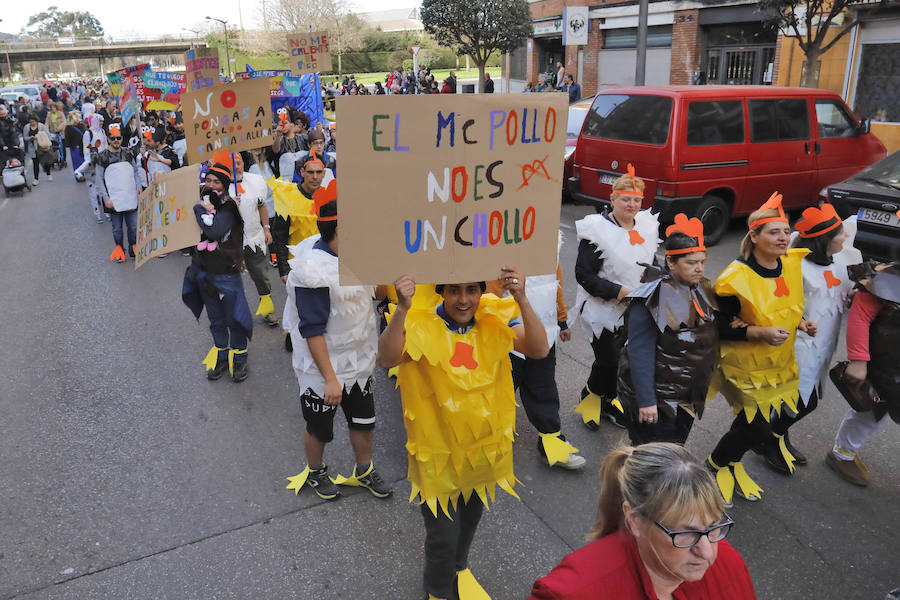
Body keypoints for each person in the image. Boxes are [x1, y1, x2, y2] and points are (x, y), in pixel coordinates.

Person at [378, 270, 549, 600]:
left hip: (484, 452)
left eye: (472, 290)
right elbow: (387, 358)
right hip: (437, 457)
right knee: (442, 534)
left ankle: (460, 568)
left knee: (469, 520)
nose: (464, 299)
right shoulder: (419, 323)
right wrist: (401, 308)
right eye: (454, 290)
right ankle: (438, 590)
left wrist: (522, 299)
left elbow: (538, 349)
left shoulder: (495, 316)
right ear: (442, 291)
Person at [529, 443, 757, 600]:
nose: (707, 553)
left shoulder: (728, 563)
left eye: (713, 527)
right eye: (686, 534)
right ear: (635, 520)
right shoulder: (574, 592)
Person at [284, 180, 392, 501]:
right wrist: (330, 379)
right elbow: (311, 329)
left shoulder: (357, 253)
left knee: (364, 420)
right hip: (323, 370)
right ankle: (316, 470)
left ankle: (364, 468)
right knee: (320, 428)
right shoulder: (313, 270)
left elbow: (380, 295)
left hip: (358, 361)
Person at [705, 192, 817, 504]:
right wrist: (759, 332)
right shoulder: (735, 277)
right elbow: (717, 325)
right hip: (745, 366)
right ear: (754, 236)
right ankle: (715, 466)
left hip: (778, 363)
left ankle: (730, 461)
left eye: (786, 231)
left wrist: (802, 322)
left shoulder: (790, 265)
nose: (783, 238)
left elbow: (785, 306)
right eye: (774, 232)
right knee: (758, 428)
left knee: (753, 424)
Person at [770, 205, 860, 473]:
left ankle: (777, 435)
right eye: (840, 234)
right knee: (801, 400)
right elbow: (778, 306)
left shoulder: (843, 259)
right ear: (824, 239)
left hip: (824, 345)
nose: (845, 237)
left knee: (807, 397)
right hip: (798, 346)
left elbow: (842, 294)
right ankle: (769, 439)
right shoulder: (794, 266)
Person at [616, 215, 720, 446]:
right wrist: (646, 401)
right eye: (691, 262)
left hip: (685, 396)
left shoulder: (700, 288)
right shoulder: (649, 299)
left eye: (702, 261)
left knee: (672, 452)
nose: (699, 268)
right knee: (650, 458)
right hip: (658, 400)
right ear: (671, 262)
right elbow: (639, 353)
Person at [572, 164, 661, 431]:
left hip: (635, 310)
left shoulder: (646, 226)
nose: (631, 205)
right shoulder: (596, 229)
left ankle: (608, 401)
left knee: (626, 361)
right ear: (613, 199)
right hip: (601, 310)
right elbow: (583, 274)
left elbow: (651, 263)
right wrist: (618, 291)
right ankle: (590, 396)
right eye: (625, 199)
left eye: (636, 200)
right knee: (608, 360)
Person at [486, 240, 584, 470]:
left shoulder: (549, 237)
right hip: (506, 335)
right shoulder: (494, 238)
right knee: (499, 390)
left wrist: (561, 320)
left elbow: (555, 282)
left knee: (543, 387)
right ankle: (485, 442)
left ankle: (551, 441)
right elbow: (486, 291)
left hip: (543, 331)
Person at [827, 261, 899, 486]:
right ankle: (842, 455)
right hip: (885, 363)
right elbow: (860, 316)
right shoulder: (885, 277)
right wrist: (858, 361)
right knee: (873, 408)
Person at [181, 155, 252, 383]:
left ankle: (239, 360)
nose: (211, 185)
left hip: (227, 274)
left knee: (235, 319)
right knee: (216, 320)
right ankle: (221, 357)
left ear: (224, 186)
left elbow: (214, 232)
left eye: (216, 182)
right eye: (208, 180)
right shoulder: (203, 203)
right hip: (204, 273)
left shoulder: (229, 208)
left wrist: (198, 210)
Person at [232, 152, 278, 327]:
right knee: (231, 280)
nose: (236, 166)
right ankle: (237, 315)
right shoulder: (218, 184)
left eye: (239, 163)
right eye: (233, 163)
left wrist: (266, 228)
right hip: (230, 242)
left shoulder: (255, 181)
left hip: (254, 237)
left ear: (243, 163)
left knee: (261, 276)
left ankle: (268, 310)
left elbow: (262, 206)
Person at [95, 122, 141, 261]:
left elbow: (135, 172)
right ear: (108, 139)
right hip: (114, 200)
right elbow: (99, 180)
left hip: (130, 198)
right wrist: (106, 198)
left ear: (122, 139)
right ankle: (120, 249)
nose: (116, 141)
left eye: (119, 138)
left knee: (133, 226)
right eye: (113, 138)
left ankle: (134, 247)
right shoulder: (102, 157)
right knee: (117, 229)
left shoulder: (128, 153)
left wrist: (138, 186)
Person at [23, 115, 53, 184]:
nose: (32, 123)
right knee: (35, 163)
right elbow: (25, 137)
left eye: (33, 122)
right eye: (30, 122)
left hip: (42, 147)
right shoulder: (27, 127)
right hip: (32, 147)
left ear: (36, 121)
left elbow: (47, 134)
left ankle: (48, 173)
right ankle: (36, 179)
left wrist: (39, 136)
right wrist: (30, 138)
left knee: (45, 161)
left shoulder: (41, 126)